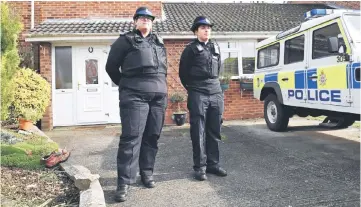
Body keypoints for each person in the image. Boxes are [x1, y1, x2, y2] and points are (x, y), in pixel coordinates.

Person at [105, 6, 168, 202]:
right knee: (131, 138)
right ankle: (124, 182)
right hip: (134, 96)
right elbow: (111, 67)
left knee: (152, 136)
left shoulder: (158, 42)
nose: (145, 21)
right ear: (134, 21)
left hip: (158, 97)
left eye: (149, 19)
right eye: (141, 18)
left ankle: (147, 173)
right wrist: (126, 86)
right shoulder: (125, 41)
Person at [179, 16, 227, 181]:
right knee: (198, 131)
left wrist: (215, 89)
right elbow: (183, 74)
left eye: (208, 27)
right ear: (196, 31)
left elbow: (218, 69)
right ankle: (200, 167)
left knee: (214, 130)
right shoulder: (190, 49)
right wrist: (194, 89)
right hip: (198, 92)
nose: (206, 30)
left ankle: (213, 164)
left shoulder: (216, 47)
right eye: (202, 27)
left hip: (215, 91)